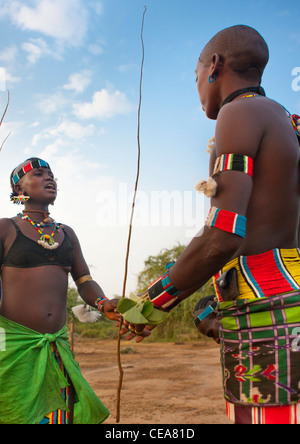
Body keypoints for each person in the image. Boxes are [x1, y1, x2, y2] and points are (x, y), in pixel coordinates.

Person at [121, 25, 300, 424]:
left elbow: (222, 234)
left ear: (215, 66)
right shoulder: (288, 122)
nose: (198, 85)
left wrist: (150, 304)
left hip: (266, 310)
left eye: (196, 75)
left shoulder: (240, 113)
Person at [0, 157, 120, 424]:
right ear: (19, 191)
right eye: (39, 174)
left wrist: (102, 302)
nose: (48, 178)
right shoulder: (6, 228)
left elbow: (84, 280)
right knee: (12, 410)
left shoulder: (66, 233)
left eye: (51, 174)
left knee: (57, 413)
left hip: (56, 345)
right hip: (12, 344)